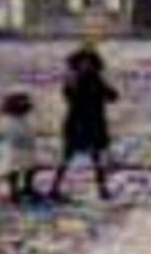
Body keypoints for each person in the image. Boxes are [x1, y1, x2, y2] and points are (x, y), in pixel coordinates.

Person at [50, 42, 118, 202]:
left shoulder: (97, 79)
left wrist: (106, 87)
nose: (86, 65)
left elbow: (113, 97)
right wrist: (71, 85)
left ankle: (102, 189)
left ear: (94, 64)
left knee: (96, 158)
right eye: (82, 62)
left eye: (89, 62)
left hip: (93, 124)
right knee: (67, 156)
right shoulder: (73, 80)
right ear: (77, 64)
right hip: (77, 124)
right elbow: (68, 97)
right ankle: (55, 187)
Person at [0, 91, 42, 205]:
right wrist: (24, 142)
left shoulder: (23, 120)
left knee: (30, 168)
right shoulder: (11, 122)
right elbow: (13, 137)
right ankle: (14, 192)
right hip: (17, 150)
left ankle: (27, 188)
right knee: (14, 170)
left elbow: (29, 131)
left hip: (26, 148)